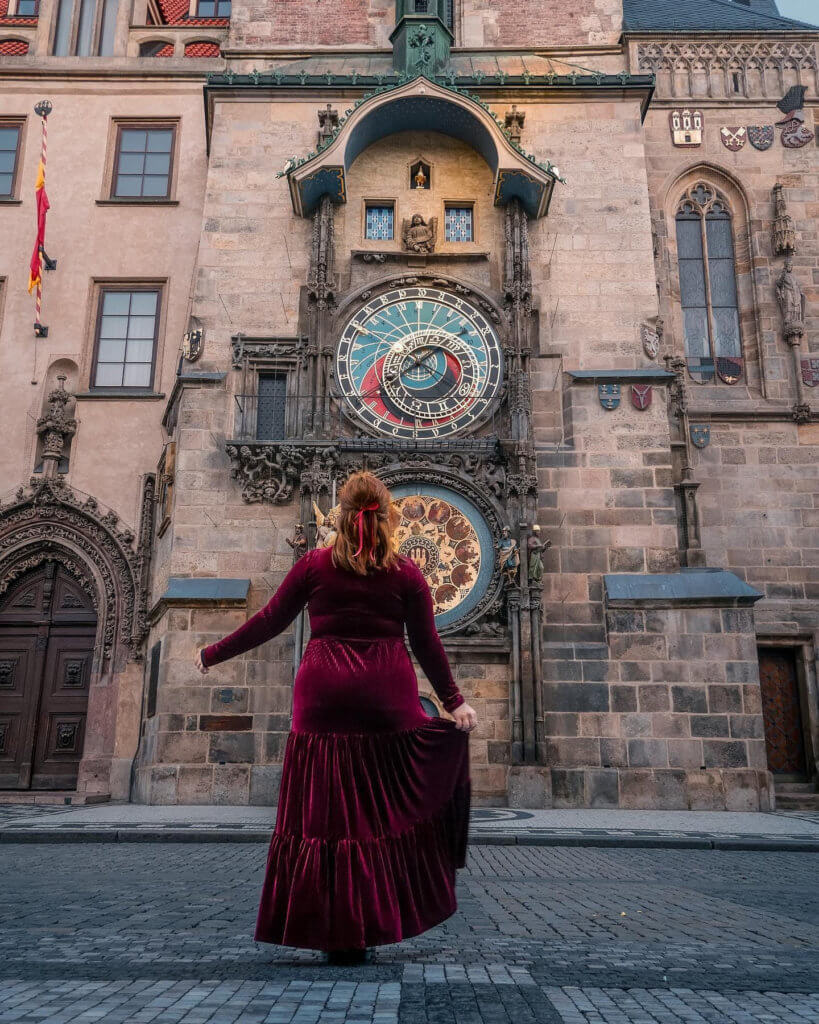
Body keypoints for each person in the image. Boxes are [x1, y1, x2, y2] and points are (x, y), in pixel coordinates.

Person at [194, 470, 477, 964]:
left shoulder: (314, 566)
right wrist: (454, 702)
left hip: (323, 697)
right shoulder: (407, 573)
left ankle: (329, 929)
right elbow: (427, 645)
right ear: (387, 518)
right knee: (378, 813)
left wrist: (213, 653)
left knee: (323, 816)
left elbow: (269, 621)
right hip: (385, 697)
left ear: (340, 517)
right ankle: (370, 921)